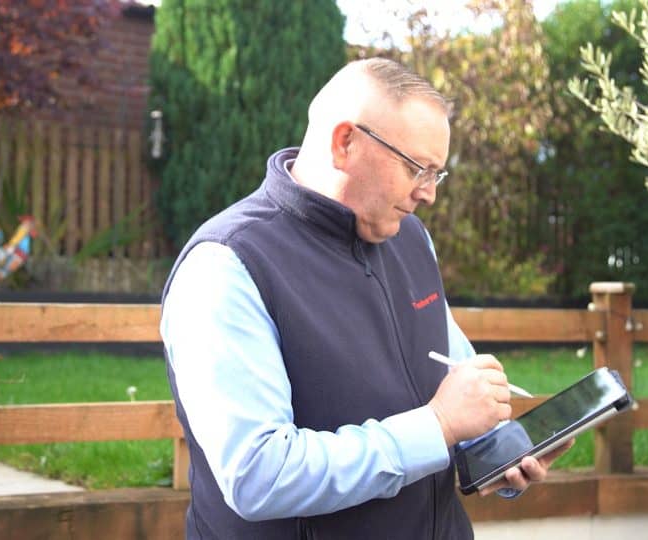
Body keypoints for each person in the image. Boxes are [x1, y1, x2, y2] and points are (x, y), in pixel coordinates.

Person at [160, 57, 571, 540]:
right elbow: (259, 476)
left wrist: (494, 454)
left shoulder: (413, 240)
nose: (429, 194)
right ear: (345, 142)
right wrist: (437, 425)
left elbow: (451, 388)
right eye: (418, 168)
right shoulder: (227, 265)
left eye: (437, 174)